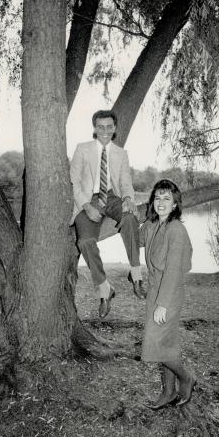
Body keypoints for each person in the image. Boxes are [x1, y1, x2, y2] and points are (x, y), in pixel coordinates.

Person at [70, 109, 145, 319]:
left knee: (130, 217)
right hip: (89, 200)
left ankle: (136, 275)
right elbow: (74, 182)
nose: (105, 131)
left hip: (112, 197)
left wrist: (129, 198)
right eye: (100, 126)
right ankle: (104, 289)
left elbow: (126, 183)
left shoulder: (121, 153)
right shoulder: (82, 149)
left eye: (109, 127)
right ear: (94, 128)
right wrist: (86, 206)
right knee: (85, 242)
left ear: (115, 128)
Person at [139, 179, 195, 409]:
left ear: (175, 204)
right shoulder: (153, 225)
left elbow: (173, 271)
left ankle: (186, 378)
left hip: (168, 294)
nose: (161, 203)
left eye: (167, 199)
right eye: (158, 198)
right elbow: (134, 236)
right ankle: (169, 392)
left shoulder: (176, 230)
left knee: (154, 343)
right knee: (166, 343)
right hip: (155, 290)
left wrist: (162, 304)